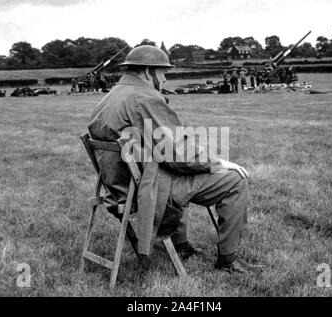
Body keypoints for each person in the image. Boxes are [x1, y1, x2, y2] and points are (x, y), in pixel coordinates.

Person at [88, 45, 261, 273]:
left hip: (120, 186)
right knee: (235, 180)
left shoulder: (111, 96)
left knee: (181, 170)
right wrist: (217, 162)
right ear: (148, 71)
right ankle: (228, 260)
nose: (165, 79)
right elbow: (177, 154)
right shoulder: (145, 97)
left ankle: (181, 246)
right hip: (146, 188)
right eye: (163, 72)